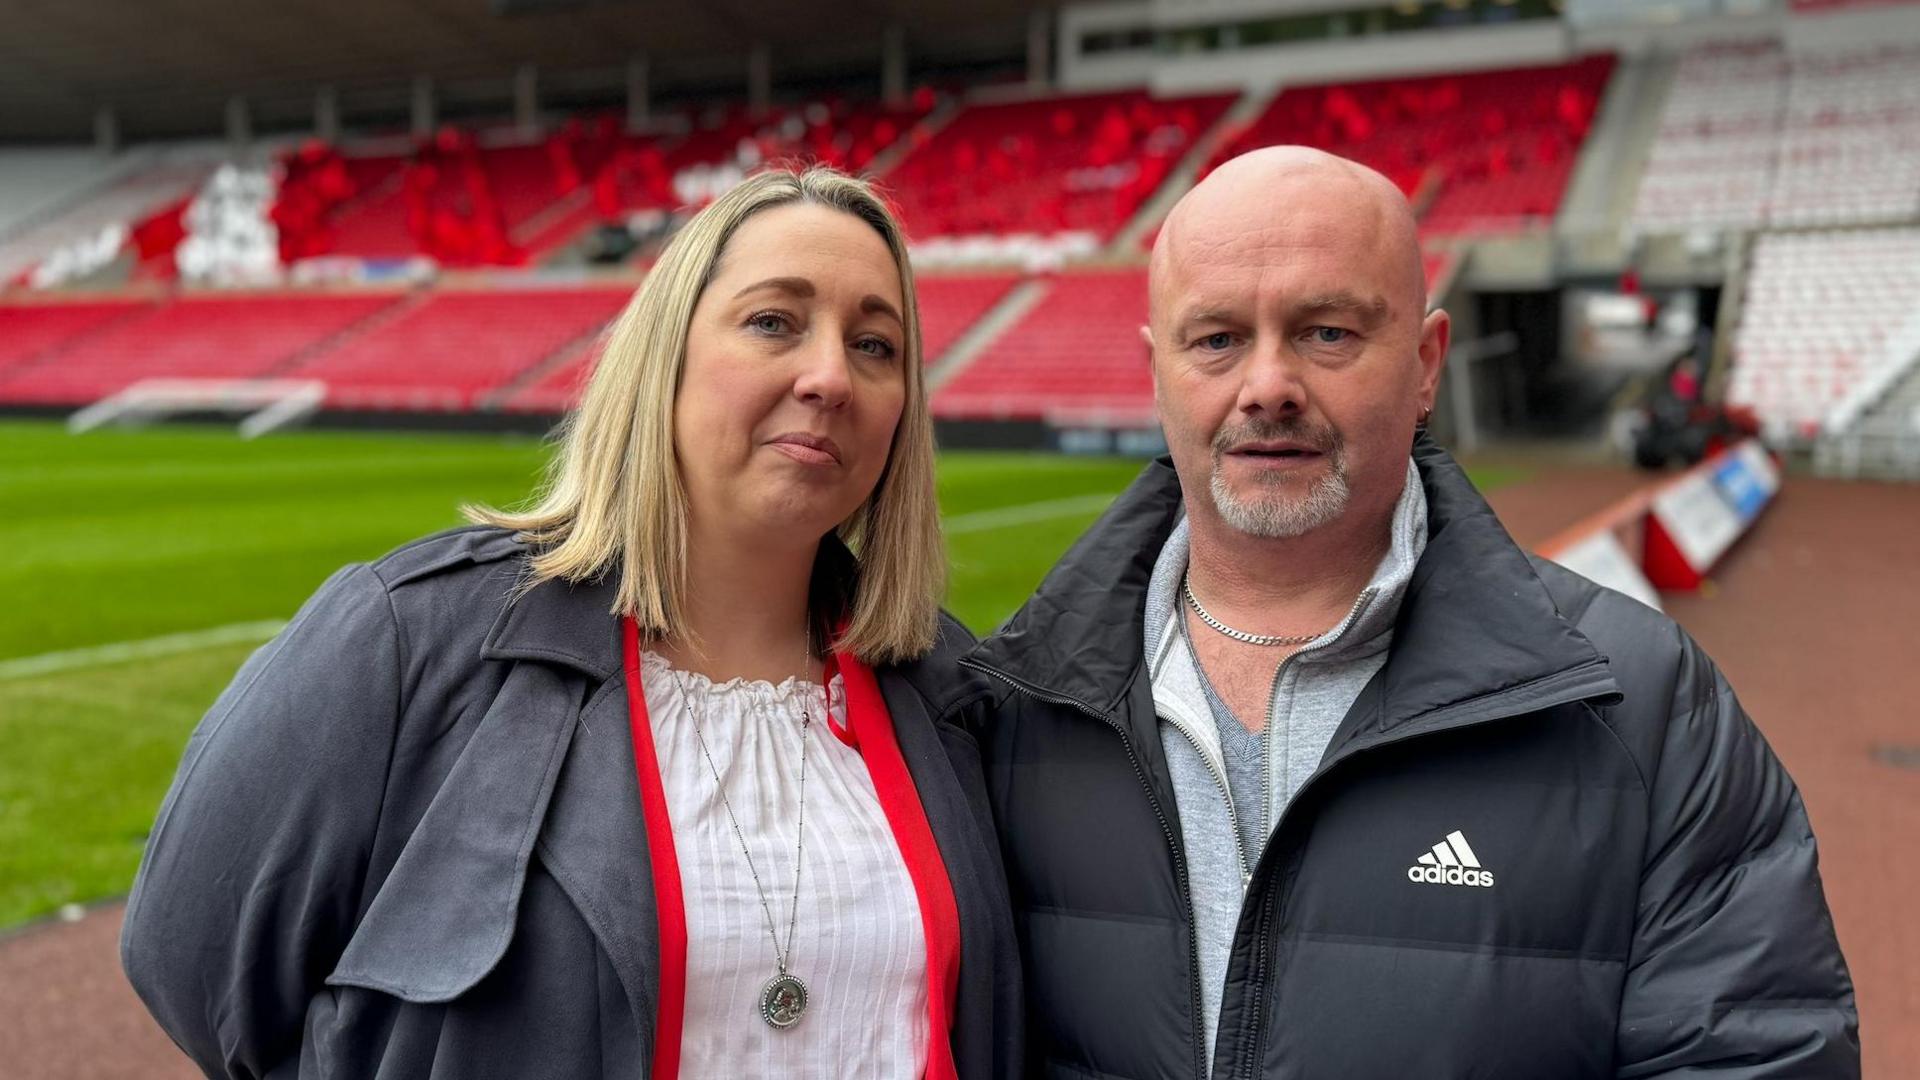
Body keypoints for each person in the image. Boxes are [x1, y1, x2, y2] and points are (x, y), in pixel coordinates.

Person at [960, 147, 1857, 1078]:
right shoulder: (1007, 709)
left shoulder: (1643, 707)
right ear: (1159, 375)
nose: (1267, 385)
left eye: (1328, 333)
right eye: (1217, 339)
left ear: (1427, 365)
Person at [121, 167, 1020, 1080]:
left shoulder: (951, 690)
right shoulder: (409, 638)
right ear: (663, 355)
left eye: (875, 345)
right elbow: (190, 958)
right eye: (772, 322)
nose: (830, 375)